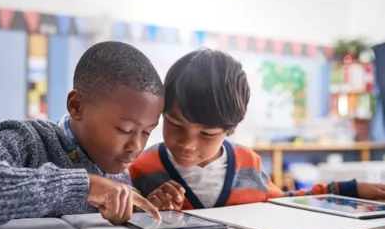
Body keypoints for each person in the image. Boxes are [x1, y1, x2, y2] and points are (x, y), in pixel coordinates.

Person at [0, 41, 164, 227]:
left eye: (147, 133)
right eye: (125, 130)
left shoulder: (118, 168)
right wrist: (83, 186)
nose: (136, 146)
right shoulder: (29, 140)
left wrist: (143, 207)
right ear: (77, 106)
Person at [129, 49, 385, 211]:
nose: (187, 143)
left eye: (207, 134)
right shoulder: (140, 168)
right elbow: (118, 217)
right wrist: (145, 210)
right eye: (174, 124)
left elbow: (285, 202)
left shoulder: (248, 163)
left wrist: (346, 190)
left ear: (231, 129)